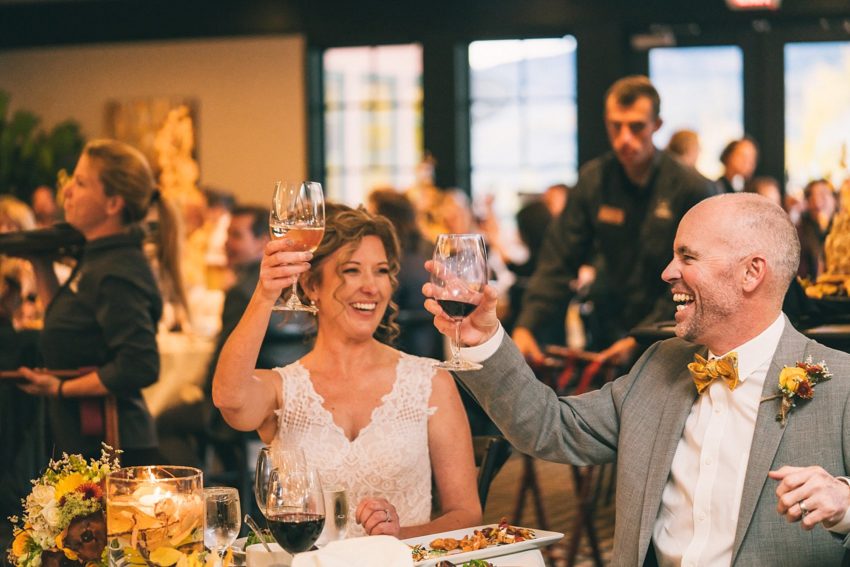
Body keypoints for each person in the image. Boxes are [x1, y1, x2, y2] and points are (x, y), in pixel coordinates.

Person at [424, 192, 850, 566]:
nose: (667, 272)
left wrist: (846, 505)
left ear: (751, 273)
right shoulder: (661, 365)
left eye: (688, 257)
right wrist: (482, 340)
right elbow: (549, 427)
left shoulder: (840, 386)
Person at [212, 204, 481, 538]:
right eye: (352, 270)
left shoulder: (431, 382)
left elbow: (466, 514)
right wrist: (266, 294)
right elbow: (229, 398)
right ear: (311, 286)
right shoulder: (283, 389)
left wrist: (397, 538)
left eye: (381, 271)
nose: (371, 286)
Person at [513, 75, 714, 364]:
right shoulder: (594, 180)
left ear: (657, 125)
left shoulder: (691, 187)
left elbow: (697, 278)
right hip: (608, 332)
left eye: (636, 127)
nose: (624, 138)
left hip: (672, 336)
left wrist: (641, 338)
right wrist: (527, 325)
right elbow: (558, 260)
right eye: (615, 126)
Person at [15, 139, 170, 465]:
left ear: (113, 203)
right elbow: (69, 323)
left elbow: (139, 365)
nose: (67, 191)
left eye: (81, 183)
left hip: (116, 450)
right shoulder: (98, 257)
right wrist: (40, 261)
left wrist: (60, 389)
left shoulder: (118, 269)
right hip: (85, 441)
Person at [157, 205, 316, 467]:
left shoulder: (245, 293)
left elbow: (221, 372)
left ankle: (201, 481)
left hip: (247, 407)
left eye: (237, 235)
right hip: (290, 404)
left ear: (263, 242)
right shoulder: (299, 287)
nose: (226, 243)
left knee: (165, 422)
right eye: (228, 234)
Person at [797, 179, 836, 280]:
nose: (817, 202)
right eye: (812, 196)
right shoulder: (799, 234)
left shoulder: (843, 231)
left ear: (834, 199)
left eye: (823, 194)